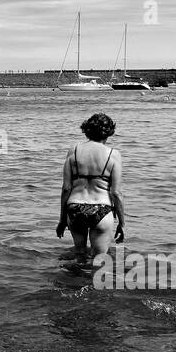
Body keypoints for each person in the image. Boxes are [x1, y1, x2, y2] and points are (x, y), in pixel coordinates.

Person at [57, 112, 123, 264]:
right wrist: (122, 224)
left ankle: (75, 285)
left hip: (75, 208)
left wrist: (62, 220)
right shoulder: (113, 154)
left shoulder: (73, 151)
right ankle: (92, 287)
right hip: (102, 208)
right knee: (99, 261)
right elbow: (116, 193)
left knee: (79, 256)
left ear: (86, 130)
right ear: (109, 132)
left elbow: (66, 188)